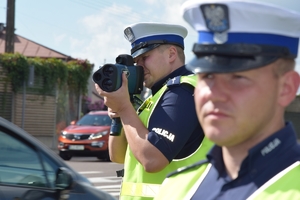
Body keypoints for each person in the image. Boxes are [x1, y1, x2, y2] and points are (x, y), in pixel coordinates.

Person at [154, 0, 300, 199]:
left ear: (286, 88)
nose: (214, 93)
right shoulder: (175, 188)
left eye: (238, 77)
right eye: (207, 76)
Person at [95, 22, 213, 200]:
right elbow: (117, 155)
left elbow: (152, 160)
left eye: (145, 57)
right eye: (136, 61)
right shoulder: (155, 97)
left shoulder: (182, 91)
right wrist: (118, 115)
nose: (139, 66)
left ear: (171, 54)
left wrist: (125, 108)